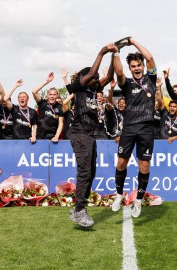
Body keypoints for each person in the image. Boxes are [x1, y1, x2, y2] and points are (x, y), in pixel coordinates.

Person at [67, 43, 116, 227]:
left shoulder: (95, 90)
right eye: (93, 77)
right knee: (85, 172)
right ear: (84, 77)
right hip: (80, 134)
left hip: (90, 135)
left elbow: (110, 75)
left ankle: (80, 207)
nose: (97, 79)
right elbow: (90, 74)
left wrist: (114, 54)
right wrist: (101, 52)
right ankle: (79, 209)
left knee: (91, 172)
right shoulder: (78, 88)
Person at [110, 37, 157, 218]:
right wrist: (116, 51)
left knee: (144, 166)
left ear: (143, 66)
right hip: (129, 128)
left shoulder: (151, 79)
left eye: (139, 65)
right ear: (130, 68)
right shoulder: (127, 83)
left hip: (146, 129)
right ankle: (119, 194)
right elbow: (118, 71)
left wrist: (133, 41)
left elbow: (151, 57)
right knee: (121, 162)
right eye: (133, 66)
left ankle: (138, 199)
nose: (136, 68)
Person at [32, 73, 64, 142]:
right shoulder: (42, 103)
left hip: (52, 138)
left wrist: (56, 137)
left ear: (57, 96)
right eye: (50, 94)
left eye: (54, 94)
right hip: (40, 137)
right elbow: (34, 91)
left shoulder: (60, 107)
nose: (52, 96)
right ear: (47, 95)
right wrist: (46, 81)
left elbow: (60, 123)